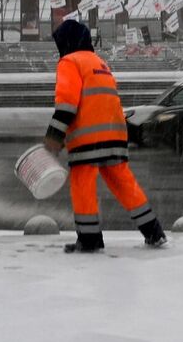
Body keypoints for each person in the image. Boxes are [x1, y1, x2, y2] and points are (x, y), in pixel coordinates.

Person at [45, 18, 167, 254]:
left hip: (87, 139)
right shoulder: (100, 62)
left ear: (66, 42)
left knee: (83, 186)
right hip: (115, 135)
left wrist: (53, 137)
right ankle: (153, 231)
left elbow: (67, 105)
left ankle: (89, 239)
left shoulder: (69, 62)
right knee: (124, 184)